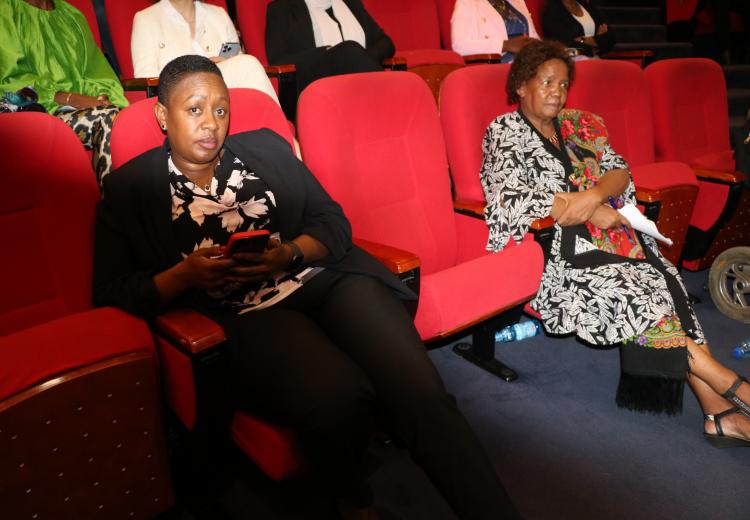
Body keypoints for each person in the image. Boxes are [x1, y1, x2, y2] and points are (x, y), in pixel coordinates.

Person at [93, 54, 522, 519]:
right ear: (163, 115)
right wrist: (182, 276)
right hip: (247, 315)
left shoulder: (266, 149)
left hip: (320, 281)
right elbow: (111, 291)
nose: (211, 123)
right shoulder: (129, 189)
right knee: (340, 395)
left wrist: (288, 253)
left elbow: (332, 224)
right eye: (194, 109)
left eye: (220, 109)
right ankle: (352, 502)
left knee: (423, 395)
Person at [480, 40, 750, 447]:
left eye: (563, 84)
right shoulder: (503, 132)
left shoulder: (580, 124)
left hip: (613, 239)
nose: (557, 92)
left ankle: (719, 414)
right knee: (643, 297)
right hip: (554, 254)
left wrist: (592, 198)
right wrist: (588, 211)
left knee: (667, 282)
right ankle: (732, 387)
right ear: (520, 85)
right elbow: (509, 198)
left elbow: (619, 172)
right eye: (547, 82)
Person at [0, 0, 128, 182]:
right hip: (28, 112)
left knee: (125, 119)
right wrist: (68, 98)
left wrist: (101, 97)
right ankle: (114, 200)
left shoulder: (71, 15)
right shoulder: (5, 10)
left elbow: (96, 72)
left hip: (76, 112)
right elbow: (8, 79)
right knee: (108, 118)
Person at [131, 0, 279, 104]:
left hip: (227, 96)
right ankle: (280, 131)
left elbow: (235, 57)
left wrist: (226, 62)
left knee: (245, 65)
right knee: (247, 64)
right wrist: (202, 68)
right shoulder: (146, 19)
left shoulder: (219, 15)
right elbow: (146, 80)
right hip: (182, 99)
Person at [265, 0, 394, 94]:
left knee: (350, 52)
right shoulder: (281, 9)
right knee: (348, 51)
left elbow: (386, 43)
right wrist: (328, 53)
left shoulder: (351, 3)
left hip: (359, 82)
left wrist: (360, 58)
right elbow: (278, 60)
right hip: (314, 86)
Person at [451, 0, 539, 63]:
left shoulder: (518, 1)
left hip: (529, 61)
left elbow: (533, 35)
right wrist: (505, 45)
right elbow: (459, 46)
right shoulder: (467, 3)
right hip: (497, 66)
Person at [541, 0, 615, 58]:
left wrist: (583, 40)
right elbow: (563, 44)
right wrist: (595, 45)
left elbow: (611, 35)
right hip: (571, 63)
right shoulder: (551, 11)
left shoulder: (586, 5)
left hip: (594, 59)